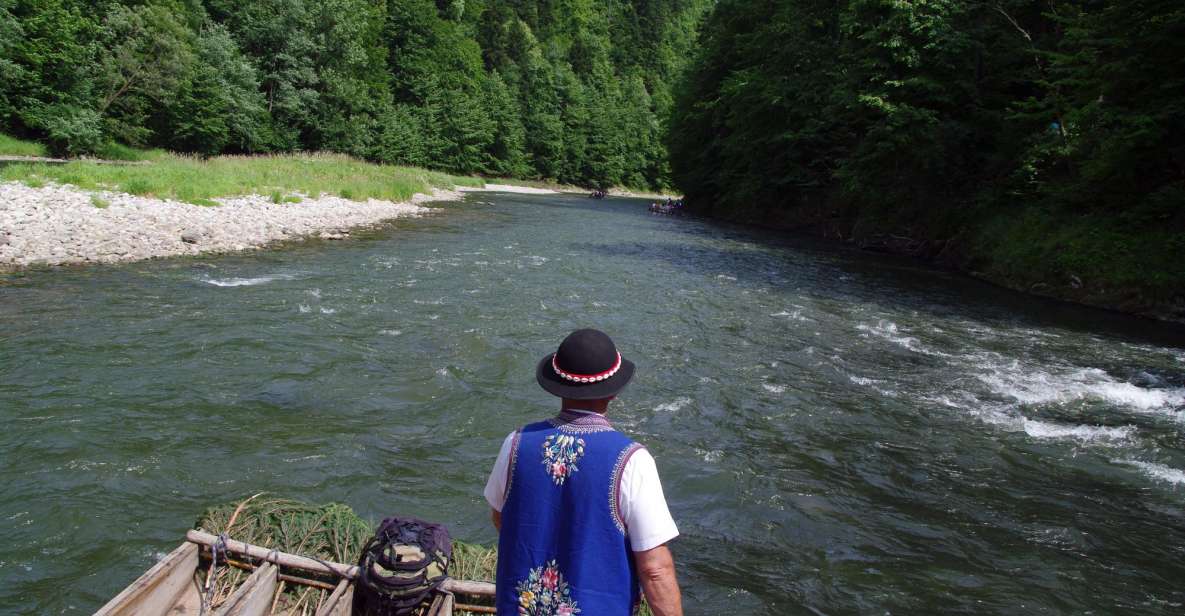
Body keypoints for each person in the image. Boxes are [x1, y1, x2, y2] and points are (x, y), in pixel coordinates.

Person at [484, 329, 683, 616]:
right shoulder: (632, 460)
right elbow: (654, 569)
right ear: (614, 392)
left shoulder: (515, 444)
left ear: (557, 386)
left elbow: (501, 519)